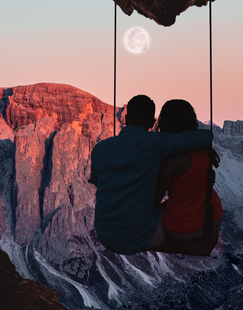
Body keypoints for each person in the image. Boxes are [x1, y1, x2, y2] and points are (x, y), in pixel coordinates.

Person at [89, 95, 217, 255]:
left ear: (126, 118)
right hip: (140, 237)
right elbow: (205, 136)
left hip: (105, 235)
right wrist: (205, 147)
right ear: (151, 122)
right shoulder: (156, 143)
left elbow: (96, 181)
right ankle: (177, 247)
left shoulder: (100, 149)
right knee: (167, 217)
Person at [154, 99, 223, 241]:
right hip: (212, 221)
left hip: (180, 229)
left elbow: (155, 199)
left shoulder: (170, 162)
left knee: (149, 215)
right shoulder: (205, 151)